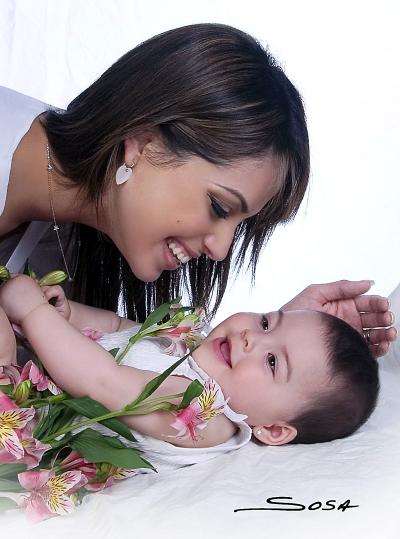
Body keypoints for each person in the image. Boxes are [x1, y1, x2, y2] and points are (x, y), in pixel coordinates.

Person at [0, 23, 394, 356]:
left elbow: (102, 376)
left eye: (239, 225)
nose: (220, 250)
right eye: (220, 208)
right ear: (142, 142)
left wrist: (283, 340)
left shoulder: (65, 240)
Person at [0, 275, 380, 474]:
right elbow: (118, 325)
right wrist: (69, 316)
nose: (250, 337)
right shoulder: (191, 349)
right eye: (266, 321)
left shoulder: (204, 414)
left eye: (272, 362)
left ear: (273, 430)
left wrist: (34, 313)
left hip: (20, 429)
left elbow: (103, 381)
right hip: (25, 381)